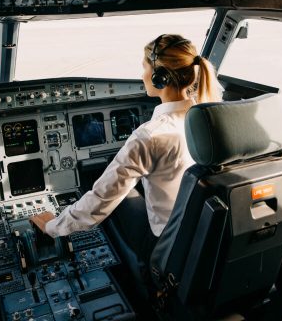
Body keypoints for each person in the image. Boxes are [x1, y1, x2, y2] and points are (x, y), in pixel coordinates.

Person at [30, 34, 221, 262]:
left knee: (110, 192)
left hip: (167, 244)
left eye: (145, 68)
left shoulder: (150, 136)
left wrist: (53, 226)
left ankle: (141, 272)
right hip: (206, 232)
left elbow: (99, 202)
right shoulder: (211, 118)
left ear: (160, 77)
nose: (142, 76)